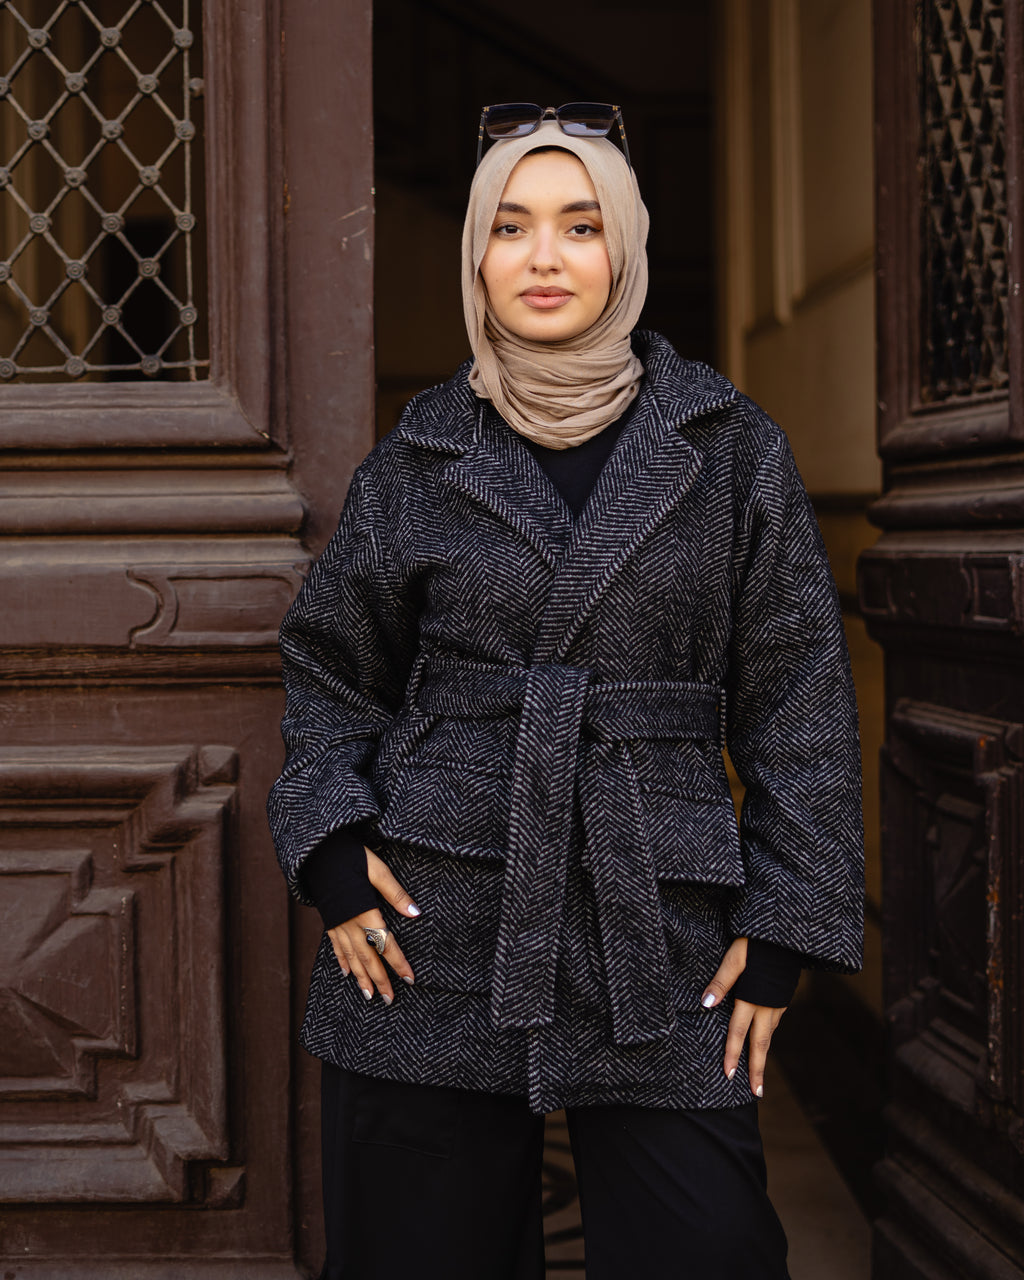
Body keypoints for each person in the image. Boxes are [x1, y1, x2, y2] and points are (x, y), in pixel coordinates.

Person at [268, 103, 865, 1280]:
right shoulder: (420, 453)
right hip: (431, 914)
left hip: (662, 919)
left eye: (579, 225)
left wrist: (787, 921)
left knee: (709, 1248)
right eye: (510, 225)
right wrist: (331, 844)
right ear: (475, 257)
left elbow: (798, 693)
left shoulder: (731, 446)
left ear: (625, 249)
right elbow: (330, 664)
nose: (543, 258)